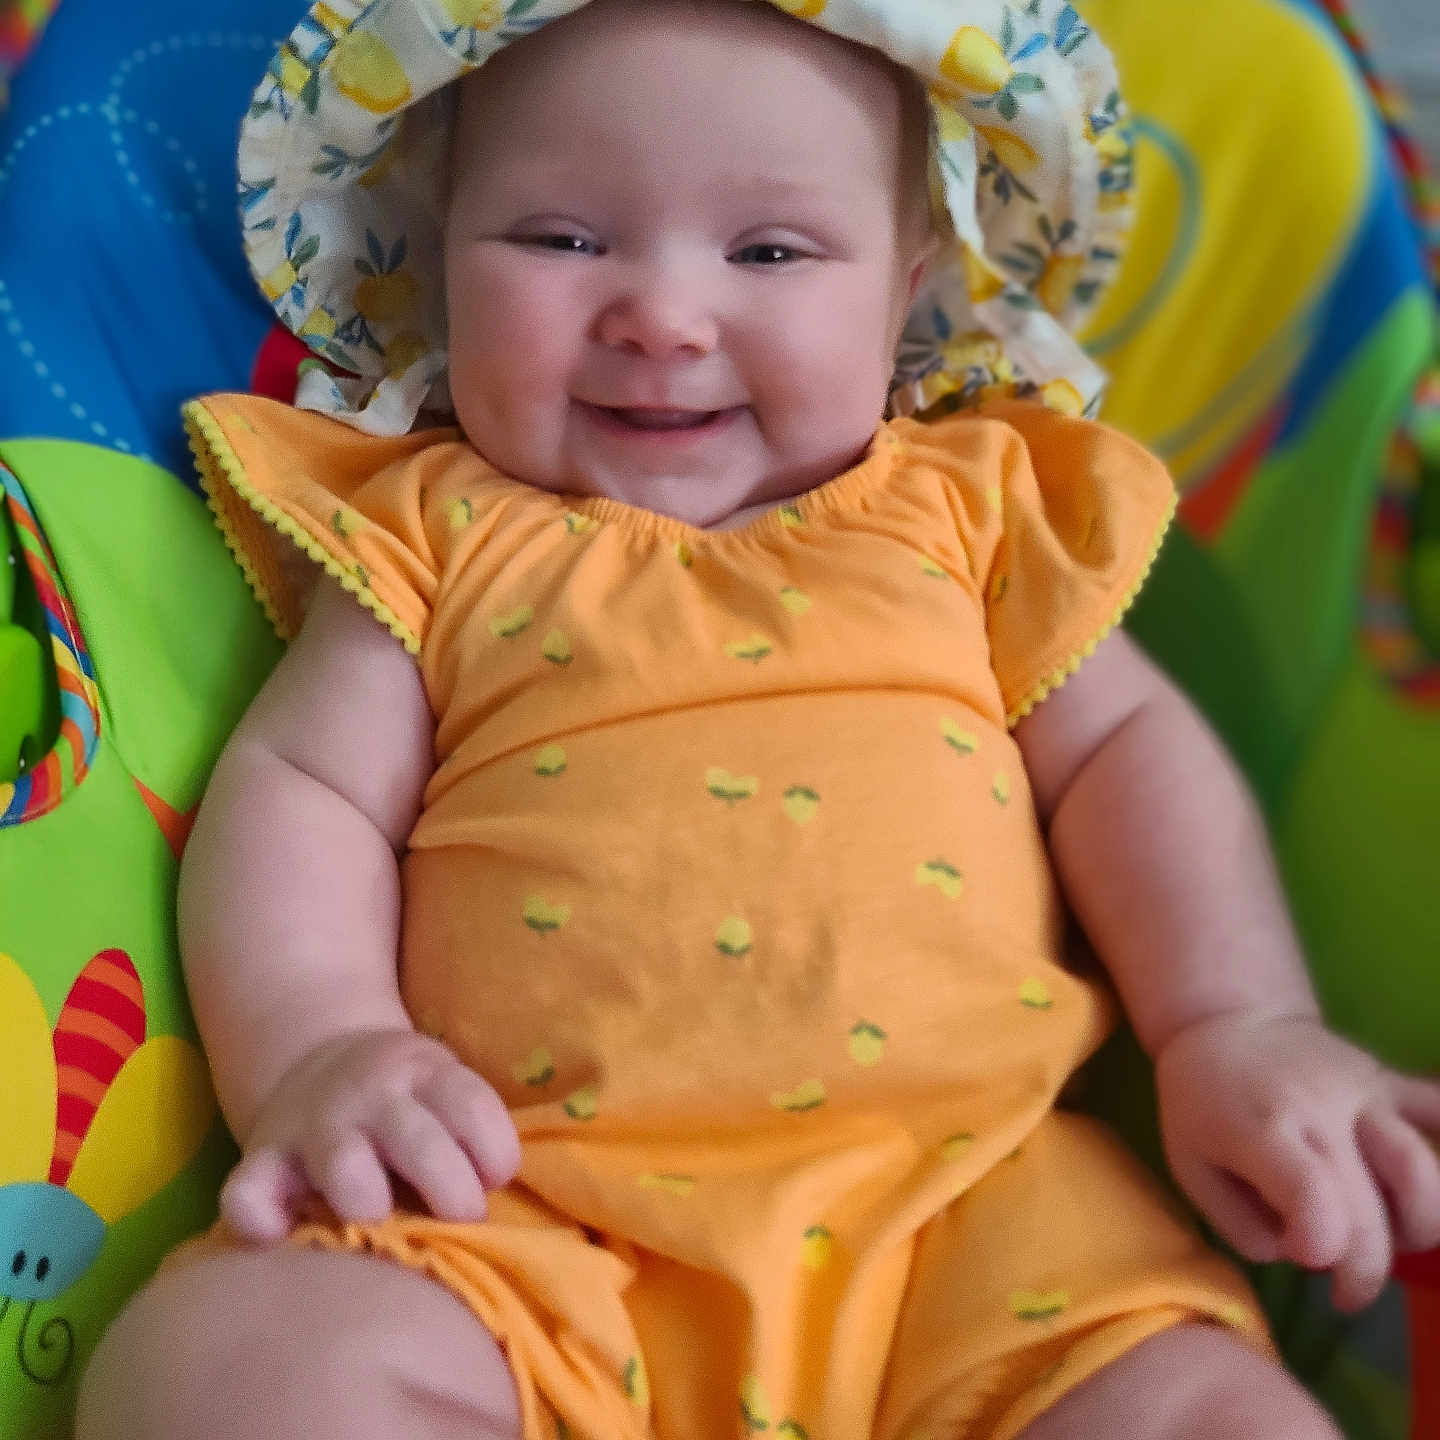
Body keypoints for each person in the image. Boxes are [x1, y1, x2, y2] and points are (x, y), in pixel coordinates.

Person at [76, 0, 1440, 1436]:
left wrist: (1234, 1022)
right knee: (234, 1368)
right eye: (560, 239)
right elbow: (305, 790)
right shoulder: (443, 536)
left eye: (771, 252)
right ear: (437, 259)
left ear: (909, 286)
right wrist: (316, 1048)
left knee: (1214, 1416)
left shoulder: (969, 513)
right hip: (517, 1219)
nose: (662, 316)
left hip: (975, 1230)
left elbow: (1127, 755)